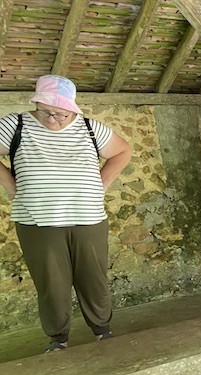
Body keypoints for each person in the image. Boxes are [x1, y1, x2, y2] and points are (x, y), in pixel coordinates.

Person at [0, 75, 131, 352]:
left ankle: (102, 331)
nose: (51, 119)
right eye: (44, 111)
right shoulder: (17, 125)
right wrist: (10, 184)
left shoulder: (90, 128)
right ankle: (58, 339)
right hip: (37, 222)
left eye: (59, 113)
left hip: (89, 219)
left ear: (73, 108)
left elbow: (122, 152)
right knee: (52, 285)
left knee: (93, 279)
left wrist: (102, 183)